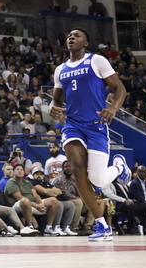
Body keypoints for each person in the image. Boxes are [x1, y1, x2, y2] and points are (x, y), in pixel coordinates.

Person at [50, 28, 128, 241]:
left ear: (86, 42)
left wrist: (112, 108)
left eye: (76, 35)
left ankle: (120, 167)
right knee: (77, 169)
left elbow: (120, 88)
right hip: (73, 125)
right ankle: (101, 225)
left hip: (96, 125)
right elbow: (56, 100)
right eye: (68, 35)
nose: (71, 37)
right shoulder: (60, 70)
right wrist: (53, 108)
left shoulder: (97, 61)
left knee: (97, 179)